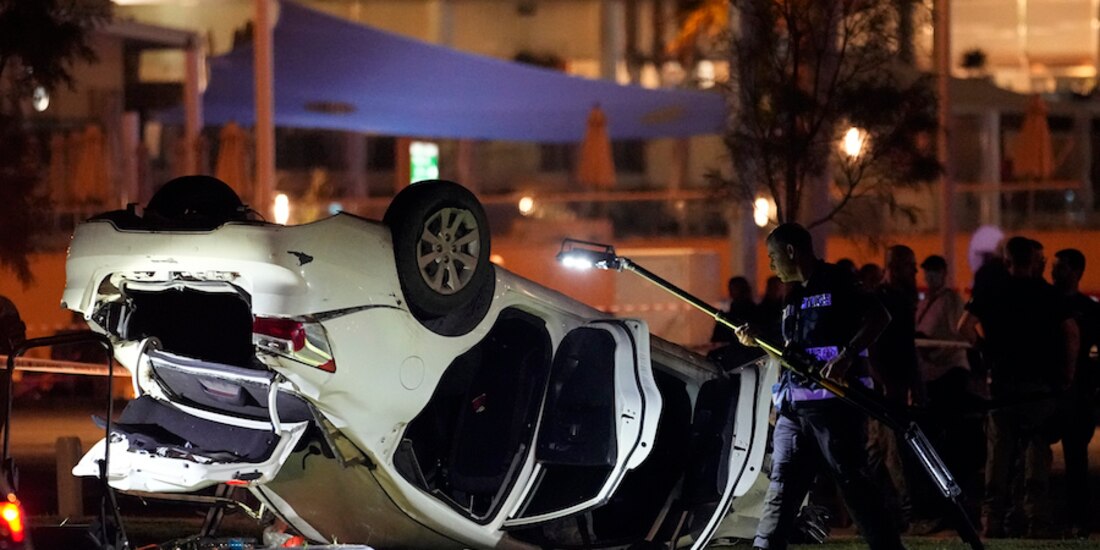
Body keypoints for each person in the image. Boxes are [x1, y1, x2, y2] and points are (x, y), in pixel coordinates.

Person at [735, 223, 903, 550]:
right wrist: (757, 340)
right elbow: (790, 352)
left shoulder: (837, 280)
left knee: (853, 485)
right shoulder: (792, 295)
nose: (770, 265)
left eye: (772, 256)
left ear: (791, 252)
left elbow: (879, 316)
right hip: (793, 412)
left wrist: (847, 356)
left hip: (835, 410)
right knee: (780, 489)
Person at [958, 236, 1078, 538]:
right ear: (1032, 260)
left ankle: (992, 521)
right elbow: (1071, 331)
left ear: (1007, 261)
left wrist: (985, 347)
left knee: (998, 455)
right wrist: (1067, 372)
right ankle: (1036, 519)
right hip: (1040, 387)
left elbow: (964, 327)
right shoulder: (1048, 294)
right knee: (1036, 453)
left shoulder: (991, 291)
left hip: (1002, 386)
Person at [914, 254, 982, 526]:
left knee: (952, 442)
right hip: (931, 377)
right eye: (926, 271)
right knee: (936, 442)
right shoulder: (926, 302)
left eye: (934, 271)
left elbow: (956, 335)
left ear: (943, 272)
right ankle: (941, 505)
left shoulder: (951, 299)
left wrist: (935, 353)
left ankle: (954, 505)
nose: (930, 276)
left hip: (949, 374)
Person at [1051, 248, 1099, 538]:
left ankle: (1077, 517)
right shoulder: (1044, 301)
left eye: (1060, 268)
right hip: (1048, 389)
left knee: (1076, 457)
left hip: (1077, 391)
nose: (1054, 272)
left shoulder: (1089, 310)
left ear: (1076, 272)